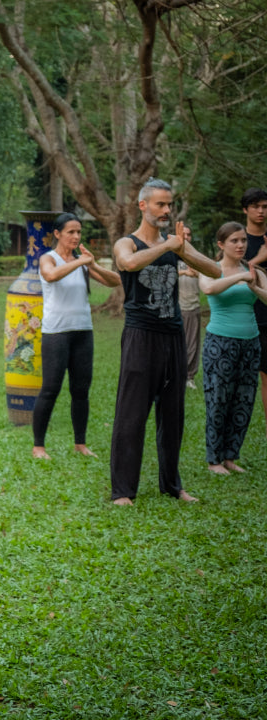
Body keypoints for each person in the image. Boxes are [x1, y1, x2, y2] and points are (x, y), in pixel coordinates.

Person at [109, 178, 220, 505]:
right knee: (131, 415)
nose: (166, 210)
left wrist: (182, 249)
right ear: (142, 205)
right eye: (160, 204)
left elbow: (214, 270)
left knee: (172, 416)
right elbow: (127, 264)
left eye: (169, 204)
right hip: (140, 336)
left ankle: (172, 485)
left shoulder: (174, 244)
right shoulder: (126, 242)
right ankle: (123, 491)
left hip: (172, 335)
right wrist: (169, 247)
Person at [31, 213, 120, 459]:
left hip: (83, 332)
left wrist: (92, 264)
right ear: (57, 234)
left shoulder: (82, 263)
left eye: (79, 232)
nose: (76, 236)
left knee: (81, 389)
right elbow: (51, 275)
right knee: (50, 389)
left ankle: (80, 444)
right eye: (70, 232)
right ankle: (39, 446)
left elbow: (115, 282)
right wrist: (81, 263)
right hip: (56, 333)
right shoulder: (47, 258)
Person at [199, 221, 267, 474]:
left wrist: (256, 286)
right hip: (220, 342)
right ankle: (214, 460)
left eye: (243, 240)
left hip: (250, 341)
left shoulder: (254, 270)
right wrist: (241, 276)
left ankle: (230, 457)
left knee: (243, 400)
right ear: (221, 245)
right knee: (218, 399)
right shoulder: (210, 268)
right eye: (234, 241)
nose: (240, 245)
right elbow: (208, 288)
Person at [240, 188, 267, 434]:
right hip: (244, 318)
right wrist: (259, 258)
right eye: (256, 206)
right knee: (242, 381)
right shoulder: (238, 240)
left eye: (265, 207)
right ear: (245, 209)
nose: (261, 211)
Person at [178, 257, 203, 389]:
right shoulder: (169, 257)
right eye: (184, 234)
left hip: (192, 307)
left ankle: (189, 377)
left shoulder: (197, 259)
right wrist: (183, 272)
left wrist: (197, 273)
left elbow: (210, 277)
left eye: (188, 235)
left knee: (192, 343)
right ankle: (173, 375)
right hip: (173, 309)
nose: (186, 237)